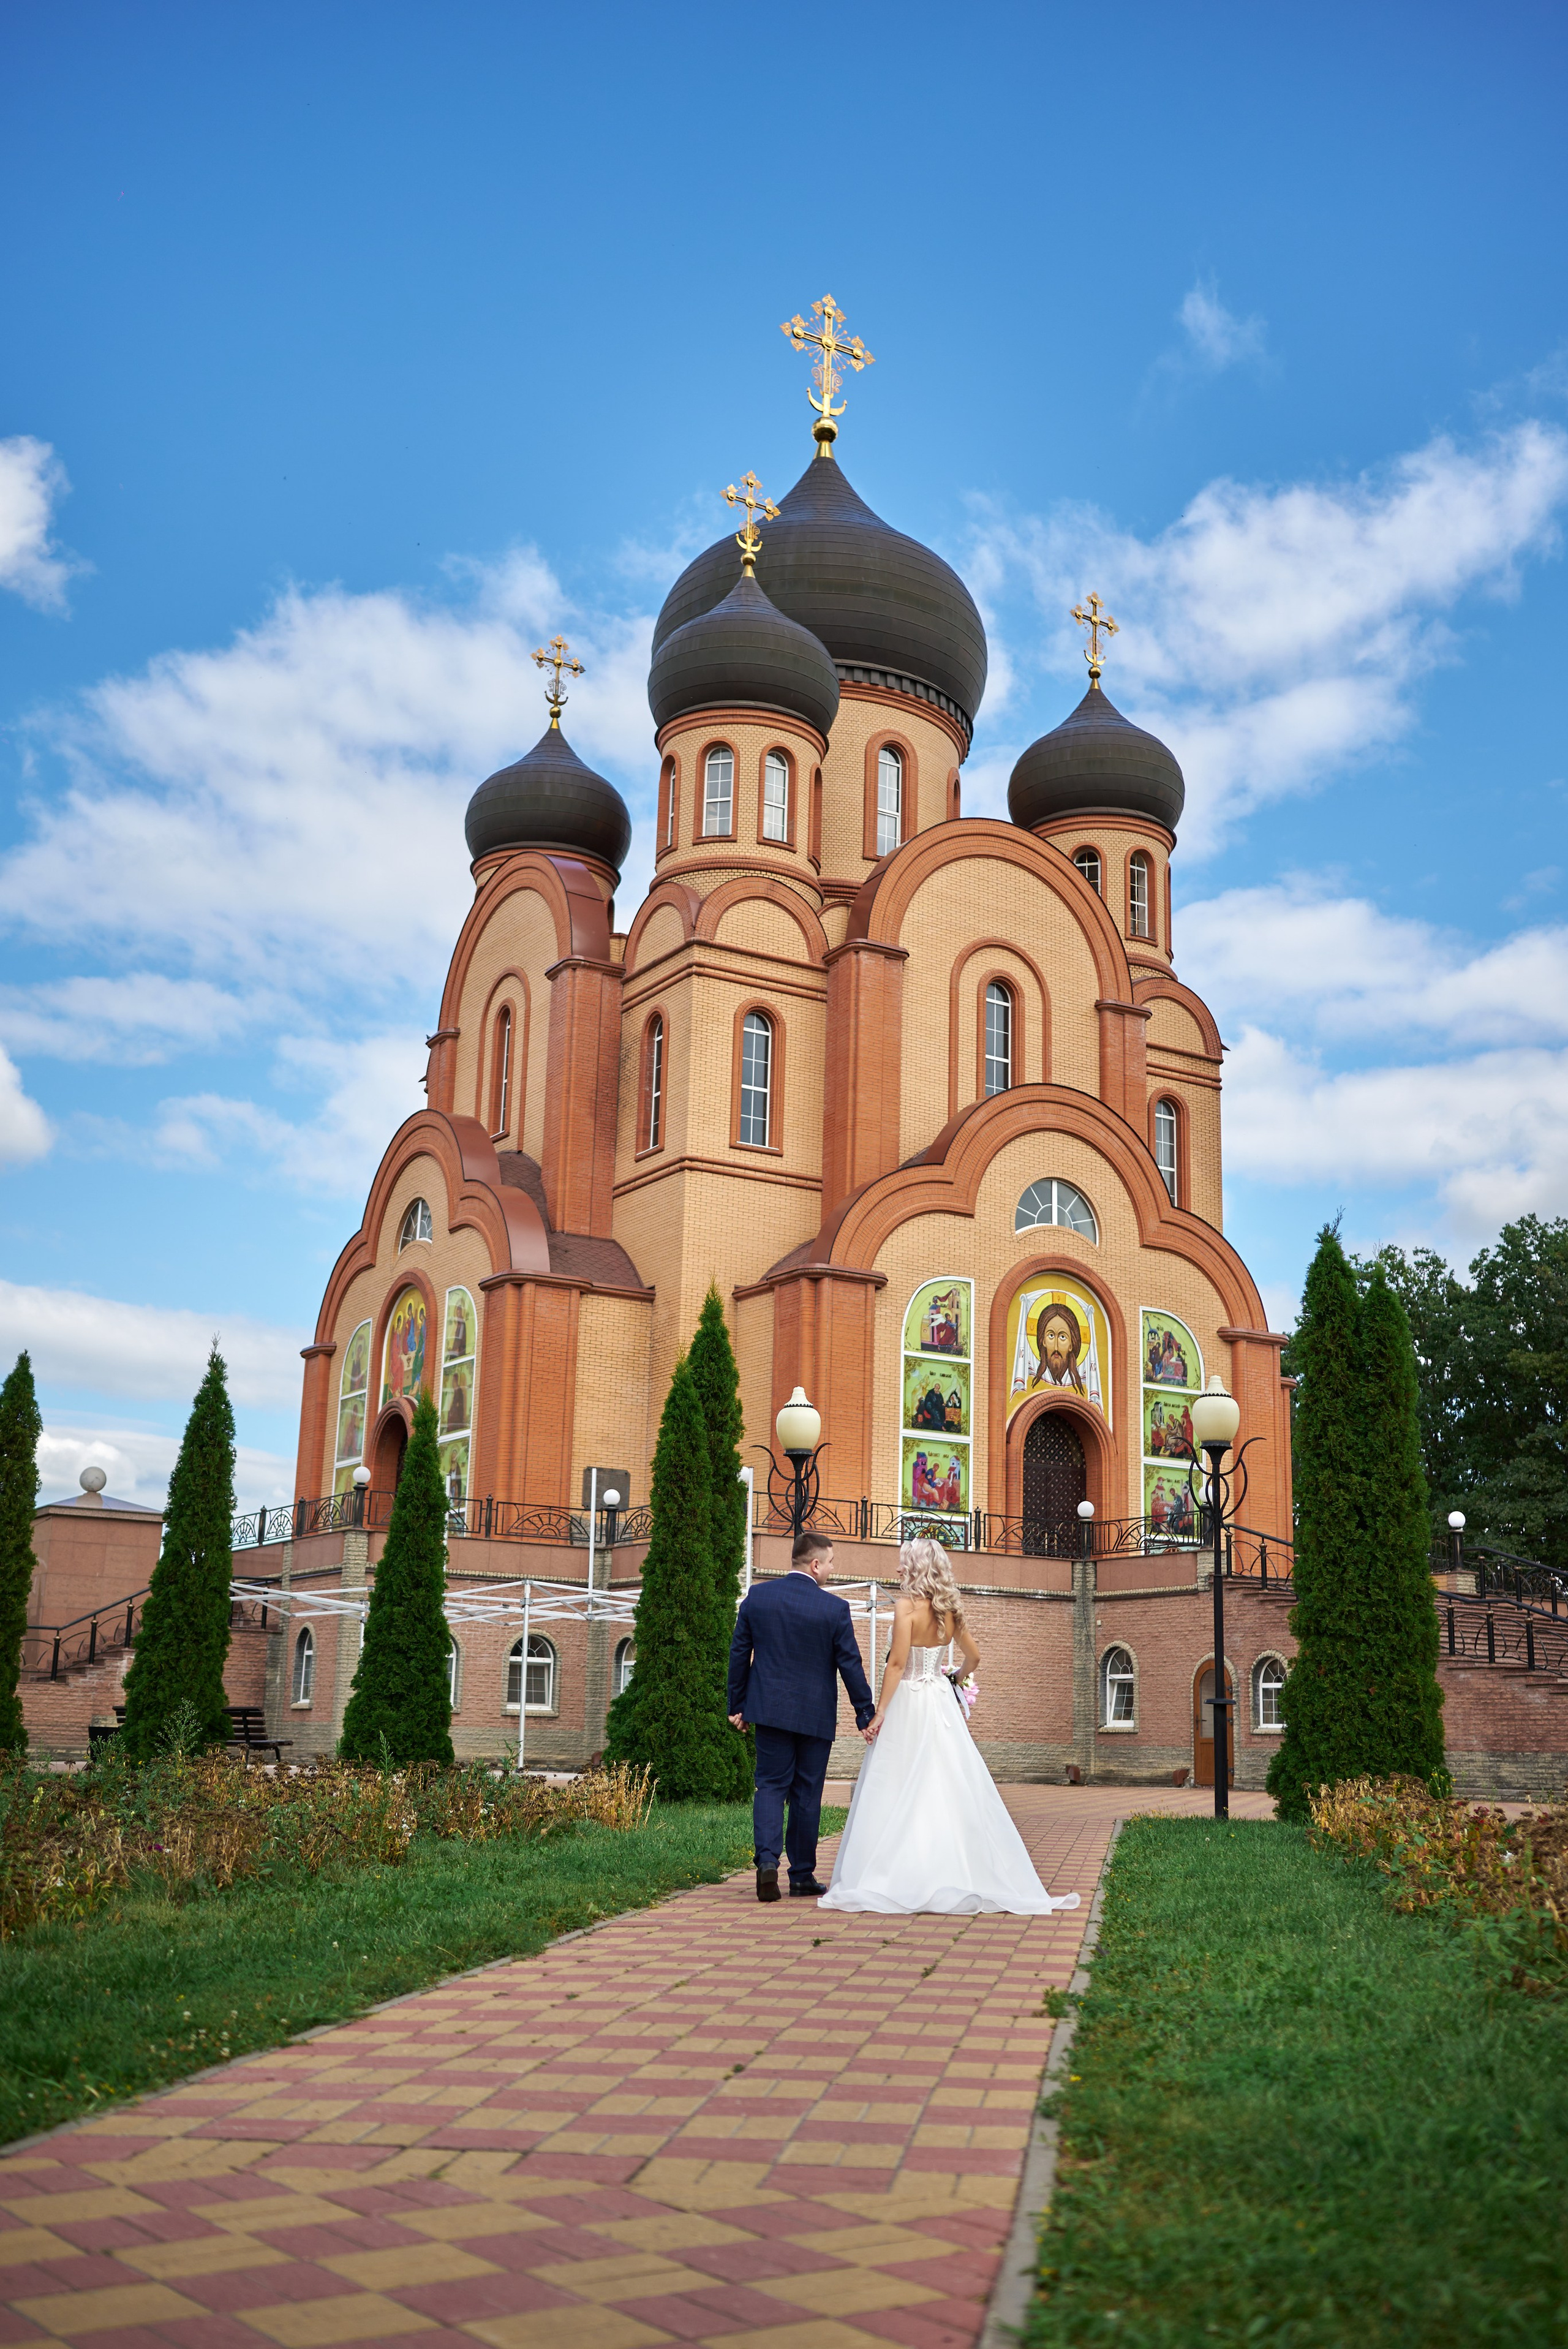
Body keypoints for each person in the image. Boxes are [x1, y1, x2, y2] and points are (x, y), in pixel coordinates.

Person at [821, 1538, 1080, 1916]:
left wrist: (879, 1712)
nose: (898, 1570)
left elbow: (896, 1665)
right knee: (947, 1780)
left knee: (897, 1781)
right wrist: (952, 1679)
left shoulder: (906, 1606)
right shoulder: (950, 1612)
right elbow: (974, 1658)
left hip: (909, 1702)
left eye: (903, 1563)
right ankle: (956, 1867)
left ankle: (897, 1872)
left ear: (917, 1568)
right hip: (939, 1702)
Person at [727, 1531, 876, 1902]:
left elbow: (738, 1653)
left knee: (771, 1786)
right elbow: (850, 1665)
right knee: (807, 1793)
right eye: (830, 1562)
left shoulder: (758, 1597)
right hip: (814, 1716)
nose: (832, 1568)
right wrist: (865, 1713)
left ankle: (766, 1864)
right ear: (815, 1564)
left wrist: (738, 1705)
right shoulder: (834, 1609)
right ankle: (801, 1876)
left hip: (770, 1712)